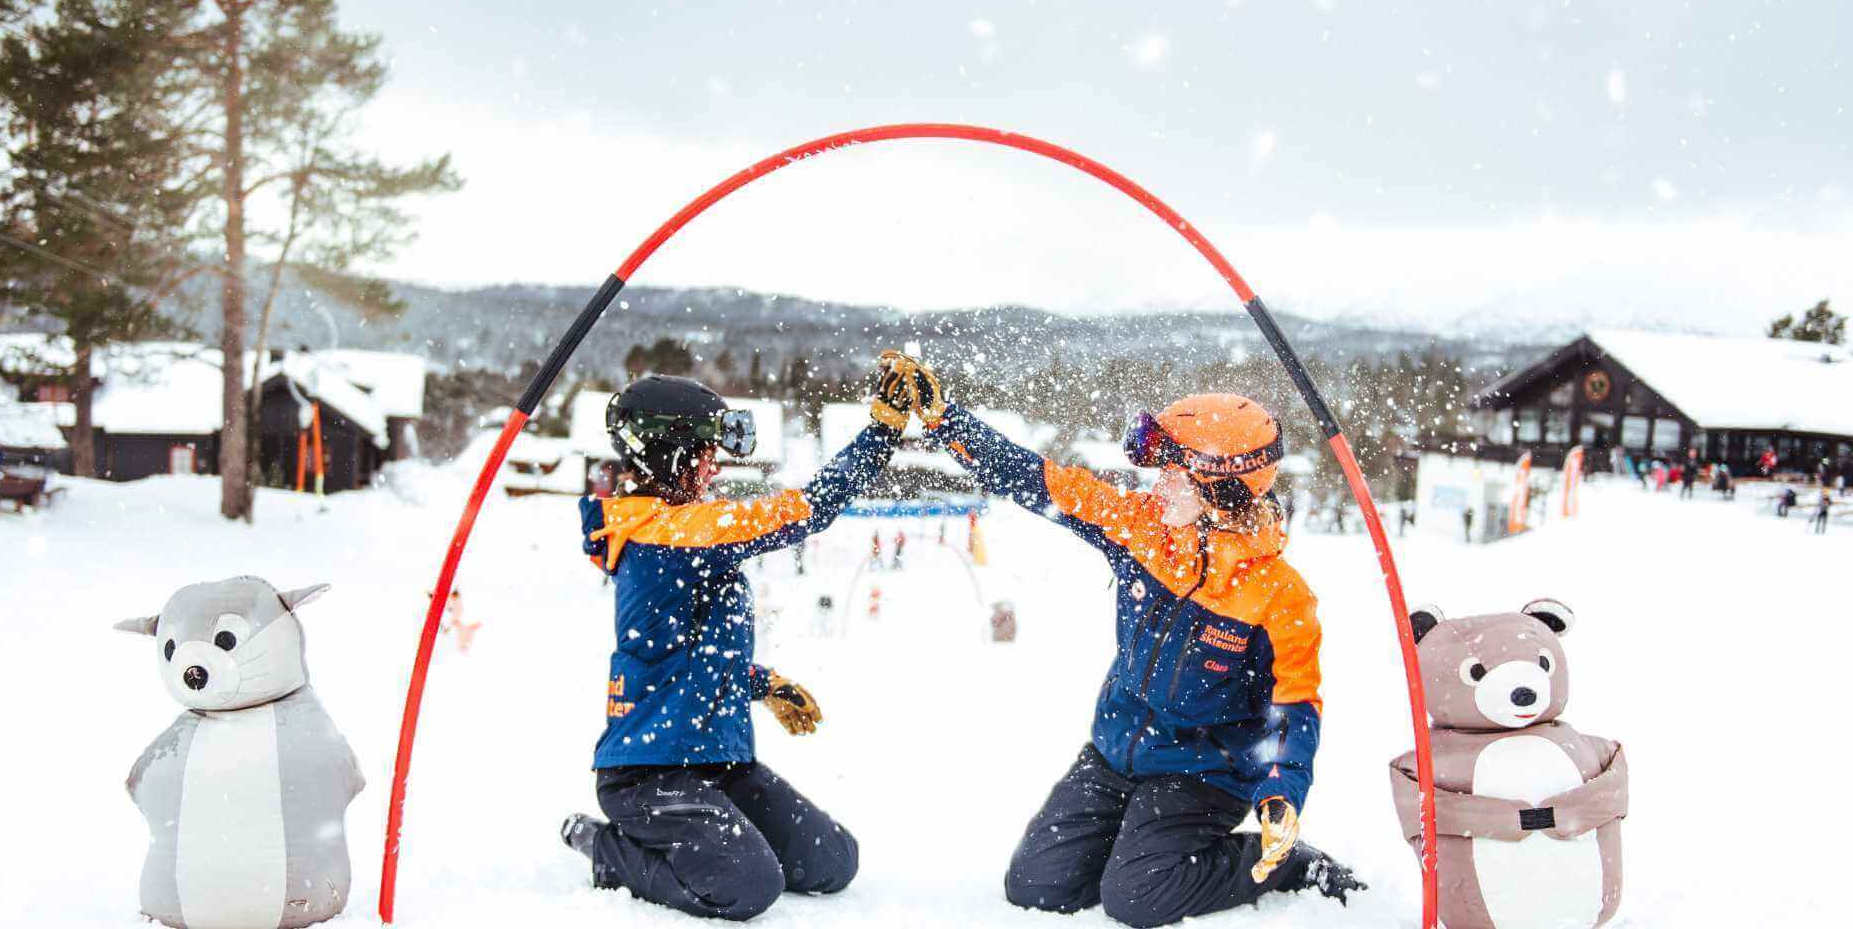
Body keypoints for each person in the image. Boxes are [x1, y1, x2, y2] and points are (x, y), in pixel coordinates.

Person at [881, 355, 1363, 926]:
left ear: (1222, 493)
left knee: (1136, 897)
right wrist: (944, 421)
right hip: (1116, 752)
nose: (1158, 486)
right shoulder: (1141, 530)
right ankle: (1138, 839)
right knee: (1038, 885)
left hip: (1202, 773)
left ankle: (1283, 866)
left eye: (1175, 476)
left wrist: (1282, 788)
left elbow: (1296, 704)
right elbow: (1037, 478)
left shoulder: (1280, 596)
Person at [558, 359, 911, 921]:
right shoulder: (665, 534)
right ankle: (603, 848)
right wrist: (882, 432)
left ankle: (708, 831)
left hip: (716, 762)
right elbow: (805, 510)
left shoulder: (682, 529)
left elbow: (684, 652)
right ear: (670, 453)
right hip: (649, 773)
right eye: (705, 454)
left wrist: (763, 683)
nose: (714, 468)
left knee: (831, 861)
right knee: (747, 885)